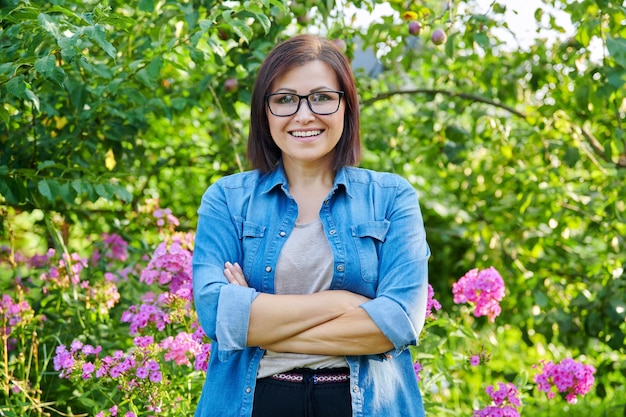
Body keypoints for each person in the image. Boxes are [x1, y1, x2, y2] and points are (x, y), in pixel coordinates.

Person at [192, 34, 430, 417]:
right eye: (285, 99)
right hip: (253, 403)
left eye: (321, 97)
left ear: (345, 107)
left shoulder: (391, 197)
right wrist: (343, 304)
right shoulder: (227, 200)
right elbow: (217, 314)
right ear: (264, 112)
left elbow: (398, 321)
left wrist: (259, 326)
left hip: (364, 405)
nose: (304, 115)